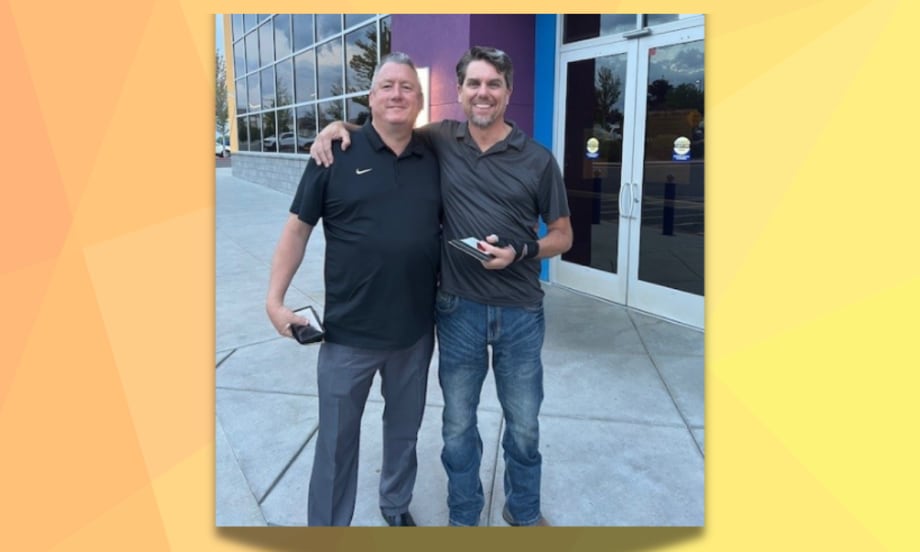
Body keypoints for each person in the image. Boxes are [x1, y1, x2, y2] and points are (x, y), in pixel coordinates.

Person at [311, 46, 573, 527]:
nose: (483, 93)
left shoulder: (537, 160)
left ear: (508, 93)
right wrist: (339, 128)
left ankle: (524, 511)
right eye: (474, 83)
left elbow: (563, 234)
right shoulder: (441, 139)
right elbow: (387, 128)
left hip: (520, 312)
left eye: (494, 84)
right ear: (459, 92)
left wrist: (525, 251)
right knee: (456, 427)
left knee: (525, 427)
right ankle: (464, 516)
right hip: (457, 311)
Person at [266, 52, 441, 527]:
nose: (397, 94)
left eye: (407, 86)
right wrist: (274, 301)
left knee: (403, 435)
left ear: (421, 100)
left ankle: (395, 506)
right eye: (387, 86)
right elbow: (298, 229)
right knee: (337, 445)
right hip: (348, 335)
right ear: (371, 97)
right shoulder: (334, 154)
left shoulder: (435, 155)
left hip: (414, 334)